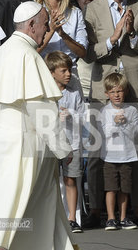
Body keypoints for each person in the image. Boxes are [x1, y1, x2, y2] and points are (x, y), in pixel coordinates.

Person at [0, 1, 77, 249]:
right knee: (23, 204)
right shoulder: (27, 55)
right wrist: (64, 150)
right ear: (32, 25)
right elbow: (41, 112)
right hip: (26, 147)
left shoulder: (3, 51)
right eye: (44, 24)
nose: (46, 30)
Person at [84, 0, 138, 228]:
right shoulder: (92, 8)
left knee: (136, 150)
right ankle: (95, 211)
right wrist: (112, 39)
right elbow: (89, 53)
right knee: (96, 151)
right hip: (103, 86)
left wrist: (132, 36)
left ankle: (137, 209)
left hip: (134, 87)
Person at [45, 50, 85, 233]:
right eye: (63, 70)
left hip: (72, 143)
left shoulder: (75, 90)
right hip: (52, 144)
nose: (68, 73)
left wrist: (71, 114)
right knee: (50, 180)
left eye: (69, 69)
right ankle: (51, 217)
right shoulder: (46, 92)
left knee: (70, 179)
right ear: (52, 72)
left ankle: (72, 218)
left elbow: (84, 114)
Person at [34, 0, 87, 92]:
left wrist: (63, 35)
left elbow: (83, 52)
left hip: (70, 77)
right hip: (43, 75)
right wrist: (51, 30)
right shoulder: (33, 11)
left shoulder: (75, 13)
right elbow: (31, 52)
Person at [100, 73, 138, 231]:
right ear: (107, 94)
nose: (116, 95)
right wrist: (116, 123)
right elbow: (104, 133)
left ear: (125, 91)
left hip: (127, 155)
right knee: (111, 188)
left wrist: (126, 124)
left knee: (125, 188)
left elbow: (135, 133)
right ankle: (111, 218)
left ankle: (123, 217)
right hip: (110, 156)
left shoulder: (131, 110)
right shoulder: (104, 111)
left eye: (119, 91)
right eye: (112, 92)